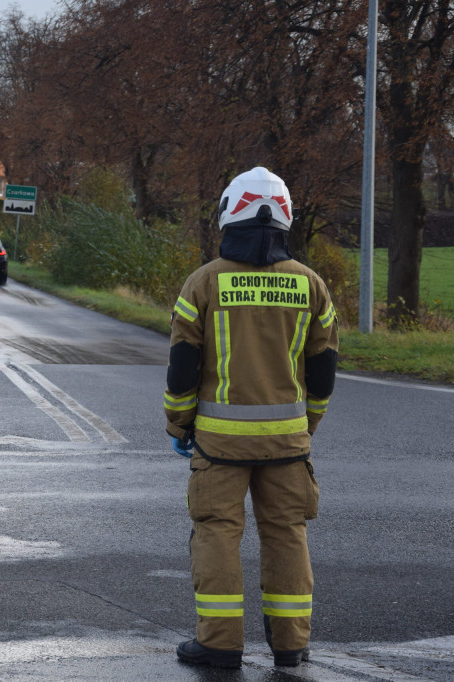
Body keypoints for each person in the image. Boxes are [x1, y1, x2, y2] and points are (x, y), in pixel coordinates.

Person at [164, 167, 339, 670]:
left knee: (217, 531)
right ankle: (291, 646)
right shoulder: (311, 286)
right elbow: (322, 373)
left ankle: (219, 644)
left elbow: (182, 370)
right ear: (284, 217)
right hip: (288, 444)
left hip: (218, 445)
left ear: (228, 213)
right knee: (287, 534)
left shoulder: (203, 283)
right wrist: (305, 425)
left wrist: (179, 426)